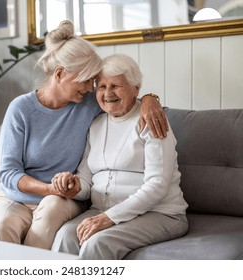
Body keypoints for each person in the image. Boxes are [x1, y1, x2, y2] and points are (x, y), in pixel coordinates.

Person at [0, 21, 168, 250]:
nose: (91, 88)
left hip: (64, 196)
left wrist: (151, 98)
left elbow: (125, 100)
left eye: (93, 81)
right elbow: (9, 173)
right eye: (86, 80)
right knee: (2, 225)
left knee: (50, 211)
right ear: (61, 74)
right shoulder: (21, 109)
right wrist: (48, 188)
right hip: (16, 196)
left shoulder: (88, 103)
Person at [51, 54, 188, 259]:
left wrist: (109, 218)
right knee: (65, 236)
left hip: (160, 213)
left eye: (116, 85)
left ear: (136, 88)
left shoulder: (151, 120)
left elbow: (157, 184)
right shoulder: (96, 125)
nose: (107, 93)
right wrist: (75, 185)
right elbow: (86, 177)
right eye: (102, 86)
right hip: (103, 210)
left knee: (96, 243)